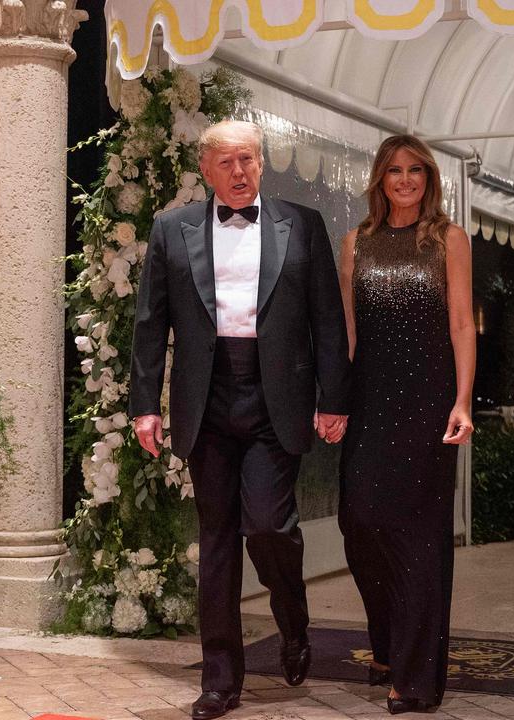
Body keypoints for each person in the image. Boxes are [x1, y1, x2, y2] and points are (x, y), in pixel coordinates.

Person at [128, 120, 351, 720]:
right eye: (226, 162)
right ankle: (220, 680)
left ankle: (292, 619)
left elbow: (327, 318)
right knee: (218, 542)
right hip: (206, 397)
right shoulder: (171, 229)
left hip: (275, 395)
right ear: (206, 169)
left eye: (248, 160)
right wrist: (145, 406)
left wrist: (335, 399)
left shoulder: (300, 224)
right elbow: (151, 324)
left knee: (269, 526)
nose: (239, 172)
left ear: (262, 163)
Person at [335, 134, 475, 715]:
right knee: (358, 521)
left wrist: (463, 400)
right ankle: (389, 642)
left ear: (429, 179)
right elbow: (347, 332)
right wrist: (335, 400)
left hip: (428, 405)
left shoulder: (448, 240)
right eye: (394, 170)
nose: (405, 180)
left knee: (418, 541)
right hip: (368, 401)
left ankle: (415, 679)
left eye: (415, 170)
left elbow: (463, 324)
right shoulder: (356, 243)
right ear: (379, 179)